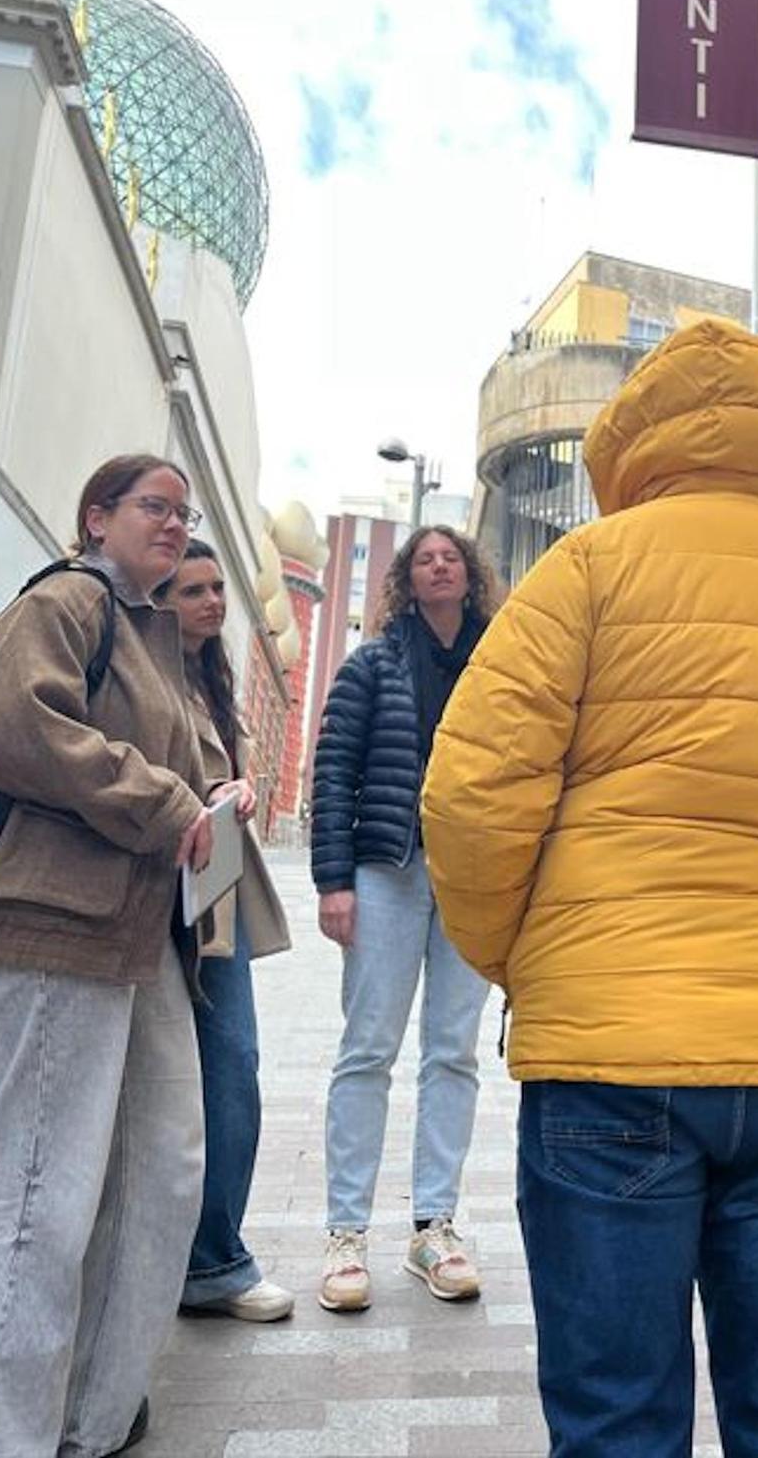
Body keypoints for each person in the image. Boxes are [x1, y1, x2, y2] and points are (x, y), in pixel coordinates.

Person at [420, 317, 758, 1458]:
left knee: (617, 1415)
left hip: (608, 1052)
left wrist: (526, 954)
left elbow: (473, 794)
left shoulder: (583, 570)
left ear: (636, 437)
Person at [0, 453, 218, 1458]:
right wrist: (171, 803)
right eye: (154, 506)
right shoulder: (69, 598)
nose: (174, 524)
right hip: (46, 919)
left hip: (128, 931)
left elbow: (171, 765)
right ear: (97, 516)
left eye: (184, 512)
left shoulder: (151, 631)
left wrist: (212, 797)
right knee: (29, 1194)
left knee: (160, 1170)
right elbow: (13, 720)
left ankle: (86, 1418)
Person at [312, 525, 499, 1312]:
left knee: (453, 1052)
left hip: (470, 877)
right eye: (425, 558)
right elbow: (333, 770)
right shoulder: (372, 664)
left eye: (450, 556)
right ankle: (345, 1232)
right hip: (385, 873)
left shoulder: (502, 662)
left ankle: (434, 1226)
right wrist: (333, 881)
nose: (439, 565)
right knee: (368, 1048)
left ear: (470, 572)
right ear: (407, 578)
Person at [156, 539, 294, 1323]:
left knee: (233, 1065)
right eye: (192, 590)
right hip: (144, 892)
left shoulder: (215, 678)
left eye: (217, 587)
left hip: (213, 893)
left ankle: (212, 1259)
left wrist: (233, 790)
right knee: (151, 1081)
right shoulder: (134, 666)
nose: (213, 601)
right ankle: (158, 1258)